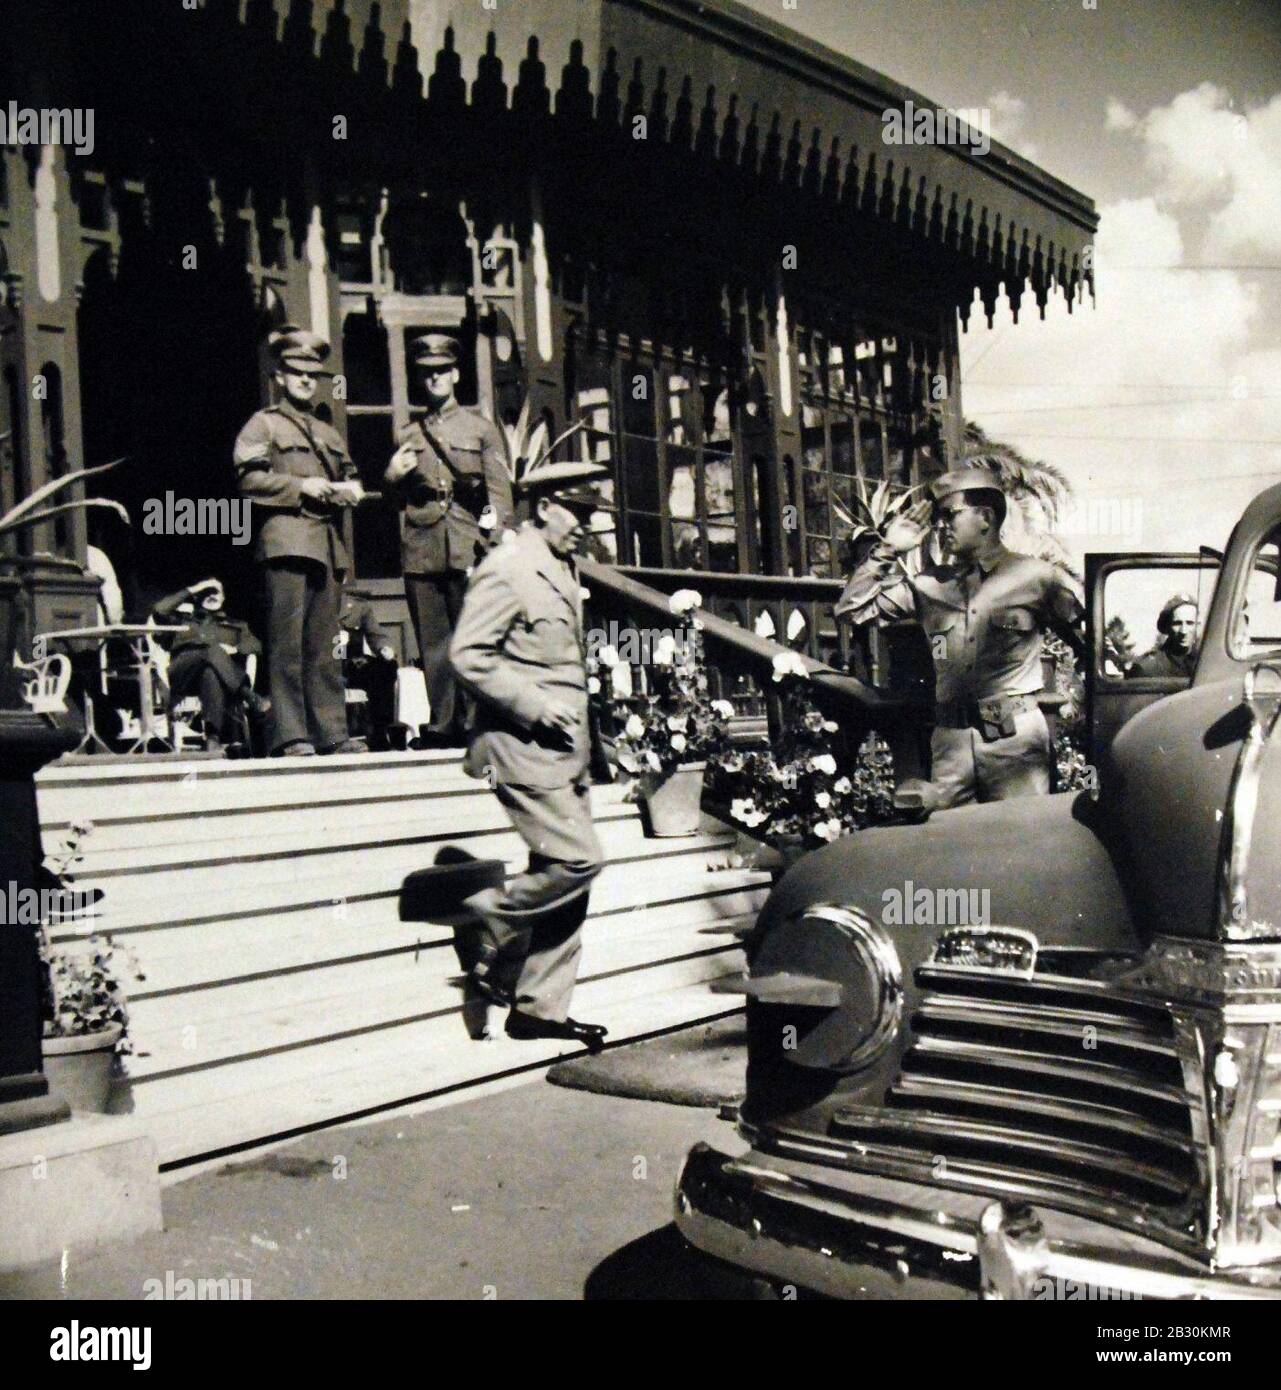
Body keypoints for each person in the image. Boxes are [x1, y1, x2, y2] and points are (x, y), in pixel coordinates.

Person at [449, 459, 609, 1051]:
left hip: (564, 749)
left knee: (564, 874)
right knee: (577, 861)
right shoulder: (509, 567)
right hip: (520, 745)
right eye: (581, 512)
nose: (588, 526)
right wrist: (535, 706)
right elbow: (467, 656)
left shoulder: (559, 568)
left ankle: (539, 1008)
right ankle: (484, 913)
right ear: (544, 507)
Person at [837, 468, 1084, 808]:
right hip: (951, 745)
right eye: (937, 518)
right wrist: (888, 549)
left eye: (950, 515)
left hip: (1015, 745)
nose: (940, 526)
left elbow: (1087, 645)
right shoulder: (929, 586)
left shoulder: (1038, 578)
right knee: (950, 849)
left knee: (1021, 843)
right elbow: (852, 610)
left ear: (985, 517)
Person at [233, 327, 367, 756]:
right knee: (286, 644)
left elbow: (348, 474)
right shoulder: (264, 424)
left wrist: (353, 489)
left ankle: (332, 732)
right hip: (287, 540)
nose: (306, 380)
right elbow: (248, 480)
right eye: (296, 371)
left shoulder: (327, 433)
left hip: (325, 544)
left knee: (325, 646)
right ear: (280, 376)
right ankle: (291, 735)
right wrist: (300, 486)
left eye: (313, 373)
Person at [383, 334, 514, 748]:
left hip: (466, 541)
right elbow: (393, 499)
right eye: (426, 373)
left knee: (471, 636)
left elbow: (499, 494)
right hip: (421, 543)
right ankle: (443, 726)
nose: (434, 379)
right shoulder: (407, 434)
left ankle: (477, 724)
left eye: (441, 371)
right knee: (434, 641)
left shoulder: (481, 430)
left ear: (456, 374)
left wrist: (491, 542)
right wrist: (390, 477)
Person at [151, 578, 269, 753]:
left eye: (215, 592)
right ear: (197, 597)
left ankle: (212, 737)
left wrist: (236, 649)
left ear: (223, 598)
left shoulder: (235, 625)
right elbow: (159, 610)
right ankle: (249, 696)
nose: (211, 595)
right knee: (211, 651)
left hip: (218, 676)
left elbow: (255, 647)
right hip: (183, 672)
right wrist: (194, 588)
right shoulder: (182, 620)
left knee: (210, 672)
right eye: (206, 592)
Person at [338, 582, 398, 747]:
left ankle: (379, 731)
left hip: (351, 665)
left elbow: (376, 634)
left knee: (385, 668)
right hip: (322, 666)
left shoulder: (357, 605)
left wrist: (385, 648)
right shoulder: (317, 603)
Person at [1127, 594, 1198, 678]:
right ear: (1167, 627)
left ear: (1197, 625)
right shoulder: (1148, 667)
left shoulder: (1206, 662)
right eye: (1177, 623)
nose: (1183, 631)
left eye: (1190, 623)